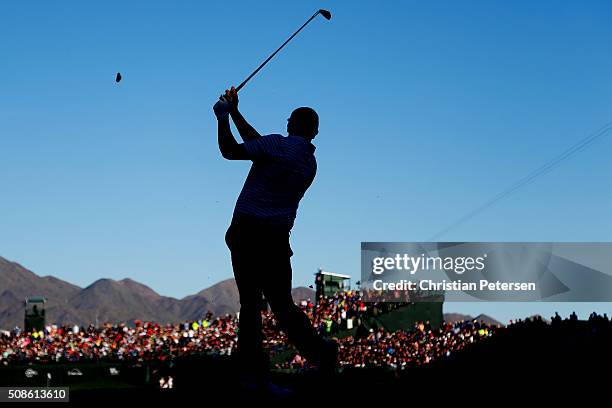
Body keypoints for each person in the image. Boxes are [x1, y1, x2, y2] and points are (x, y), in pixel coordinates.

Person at [213, 87, 337, 388]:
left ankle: (253, 374)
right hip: (277, 240)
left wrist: (221, 117)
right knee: (283, 306)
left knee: (251, 305)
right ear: (315, 133)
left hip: (248, 233)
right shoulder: (308, 161)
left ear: (292, 124)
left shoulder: (277, 146)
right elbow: (259, 145)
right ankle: (322, 355)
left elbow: (231, 150)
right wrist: (237, 112)